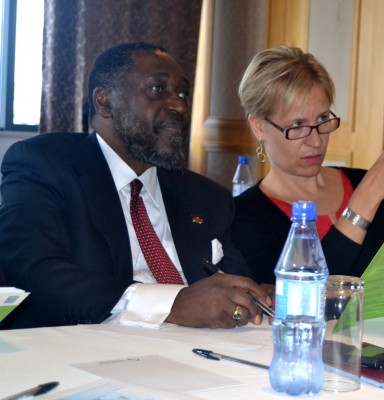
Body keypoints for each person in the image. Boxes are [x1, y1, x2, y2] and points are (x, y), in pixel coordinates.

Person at [0, 42, 270, 329]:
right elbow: (33, 273)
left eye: (182, 93)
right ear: (105, 101)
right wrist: (171, 304)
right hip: (86, 351)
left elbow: (237, 288)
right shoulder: (45, 166)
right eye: (158, 89)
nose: (179, 105)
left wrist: (255, 300)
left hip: (201, 354)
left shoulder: (206, 196)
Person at [232, 46, 384, 302]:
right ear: (259, 127)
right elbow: (305, 299)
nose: (316, 141)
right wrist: (365, 201)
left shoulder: (363, 184)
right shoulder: (244, 215)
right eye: (297, 126)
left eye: (322, 119)